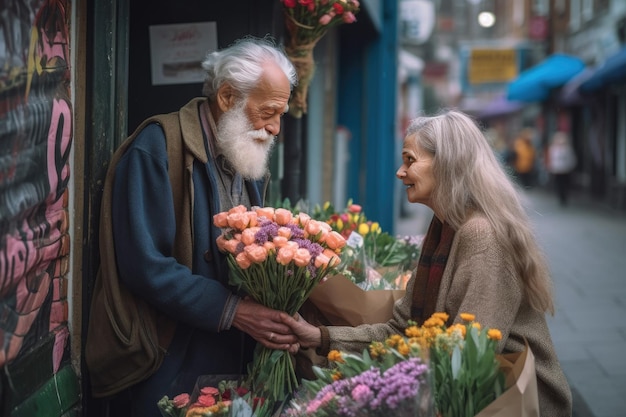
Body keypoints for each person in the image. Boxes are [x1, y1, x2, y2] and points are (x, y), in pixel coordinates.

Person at [284, 110, 572, 416]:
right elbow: (403, 329)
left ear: (448, 164)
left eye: (410, 160)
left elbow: (471, 357)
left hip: (514, 397)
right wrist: (319, 338)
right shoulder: (445, 226)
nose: (399, 171)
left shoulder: (481, 235)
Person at [88, 36, 299, 416]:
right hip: (167, 363)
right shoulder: (156, 147)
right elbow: (144, 266)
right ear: (228, 98)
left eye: (280, 114)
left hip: (229, 363)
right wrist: (235, 311)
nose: (276, 128)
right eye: (268, 112)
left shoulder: (243, 152)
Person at [547, 131, 577, 206]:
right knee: (559, 184)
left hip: (566, 170)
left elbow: (572, 159)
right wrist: (551, 167)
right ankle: (561, 197)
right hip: (557, 170)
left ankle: (565, 197)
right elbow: (551, 159)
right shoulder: (553, 149)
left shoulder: (567, 149)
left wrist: (570, 167)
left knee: (565, 184)